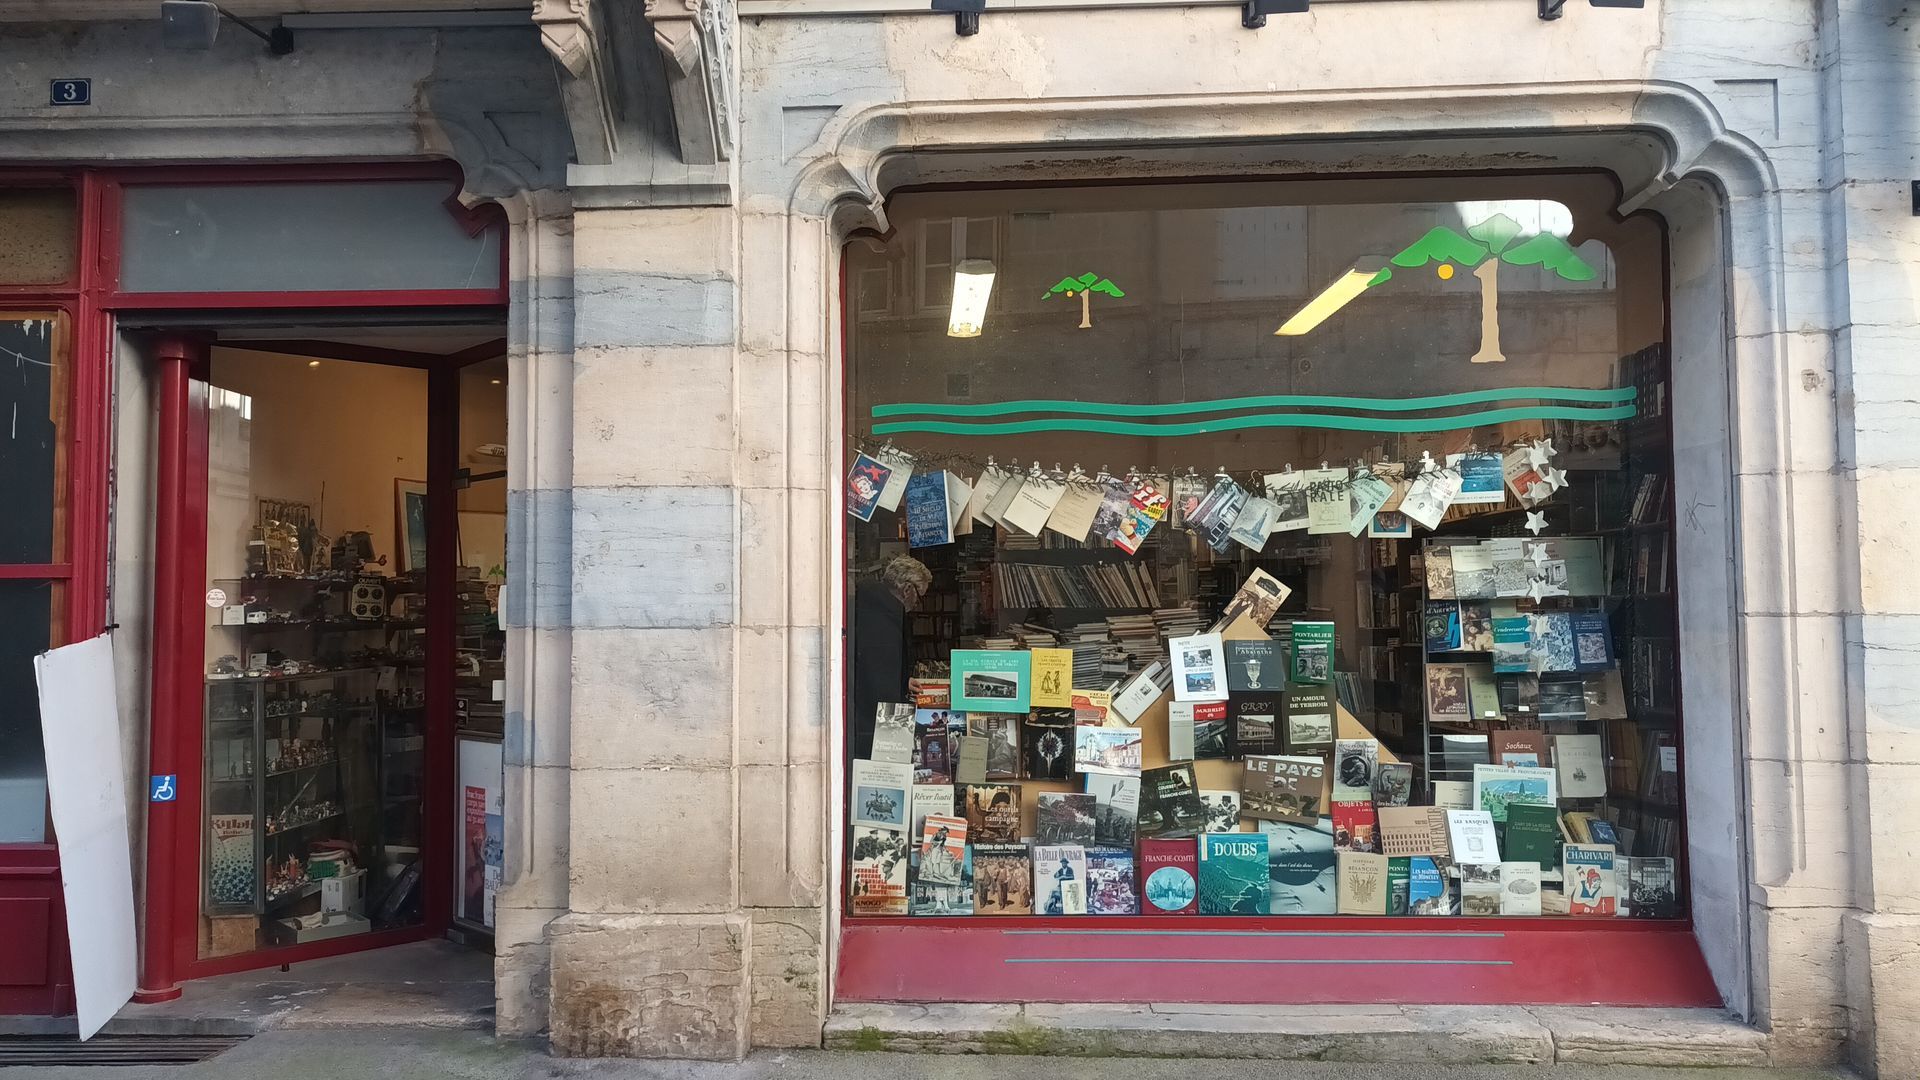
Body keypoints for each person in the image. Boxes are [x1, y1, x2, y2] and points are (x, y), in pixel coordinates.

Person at [850, 555, 933, 758]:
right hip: (873, 729)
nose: (918, 604)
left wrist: (902, 680)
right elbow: (880, 687)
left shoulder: (871, 607)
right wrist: (895, 751)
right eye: (920, 596)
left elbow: (876, 669)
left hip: (862, 721)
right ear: (907, 590)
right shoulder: (885, 620)